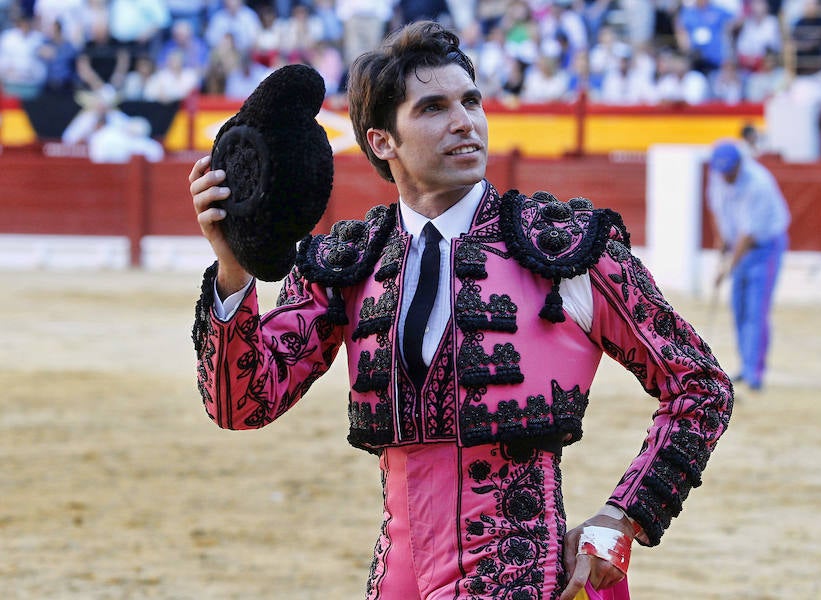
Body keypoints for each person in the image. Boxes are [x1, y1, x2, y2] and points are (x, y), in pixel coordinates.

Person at [189, 21, 733, 599]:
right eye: (432, 108)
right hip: (396, 579)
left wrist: (624, 517)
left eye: (471, 101)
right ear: (382, 141)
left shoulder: (564, 249)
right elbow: (240, 404)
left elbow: (700, 387)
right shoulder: (348, 264)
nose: (464, 122)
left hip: (518, 578)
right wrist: (234, 266)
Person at [707, 140, 790, 392]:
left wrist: (727, 267)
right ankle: (745, 366)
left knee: (756, 310)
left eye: (730, 171)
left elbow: (749, 233)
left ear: (740, 165)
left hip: (764, 248)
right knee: (739, 308)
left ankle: (755, 373)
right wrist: (721, 240)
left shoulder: (759, 183)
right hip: (739, 246)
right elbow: (718, 211)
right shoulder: (717, 176)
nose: (726, 176)